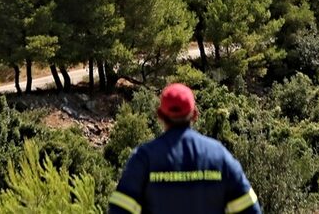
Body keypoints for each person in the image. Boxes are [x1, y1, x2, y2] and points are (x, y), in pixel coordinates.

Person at [108, 83, 261, 214]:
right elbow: (250, 210)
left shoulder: (144, 158)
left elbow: (119, 210)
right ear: (195, 114)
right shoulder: (219, 156)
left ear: (160, 115)